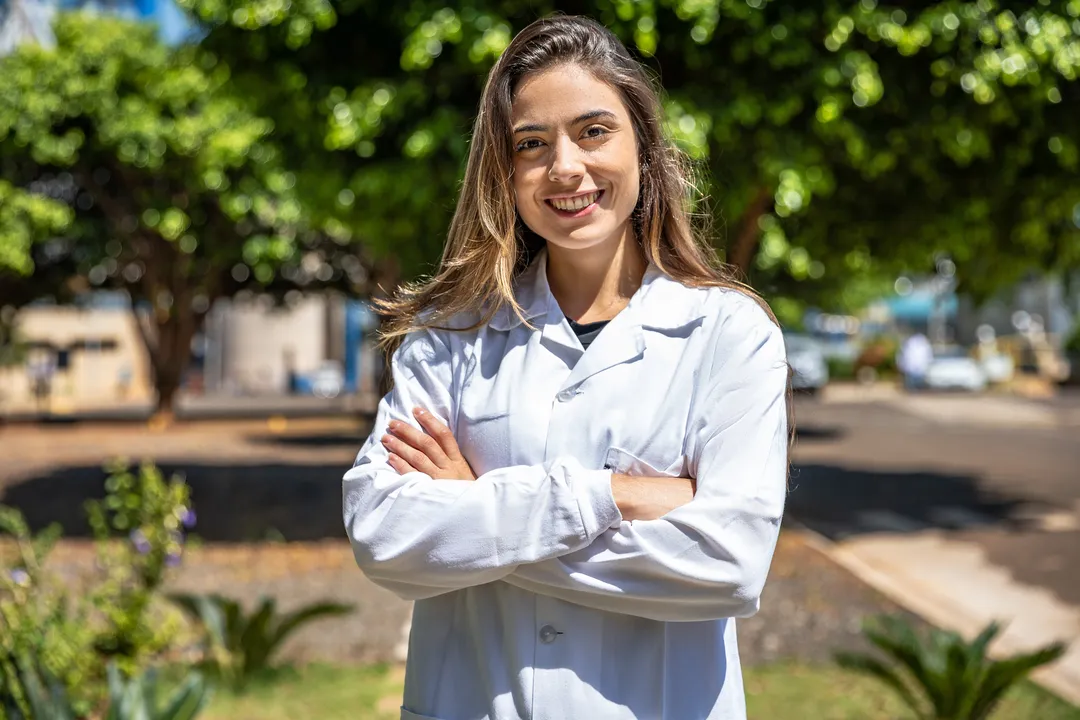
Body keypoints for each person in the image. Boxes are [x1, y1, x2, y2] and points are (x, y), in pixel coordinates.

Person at [343, 16, 789, 720]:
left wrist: (474, 515)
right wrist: (615, 496)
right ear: (504, 171)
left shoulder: (729, 335)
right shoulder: (450, 335)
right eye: (531, 144)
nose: (565, 167)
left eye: (593, 131)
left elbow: (729, 566)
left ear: (643, 145)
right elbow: (384, 536)